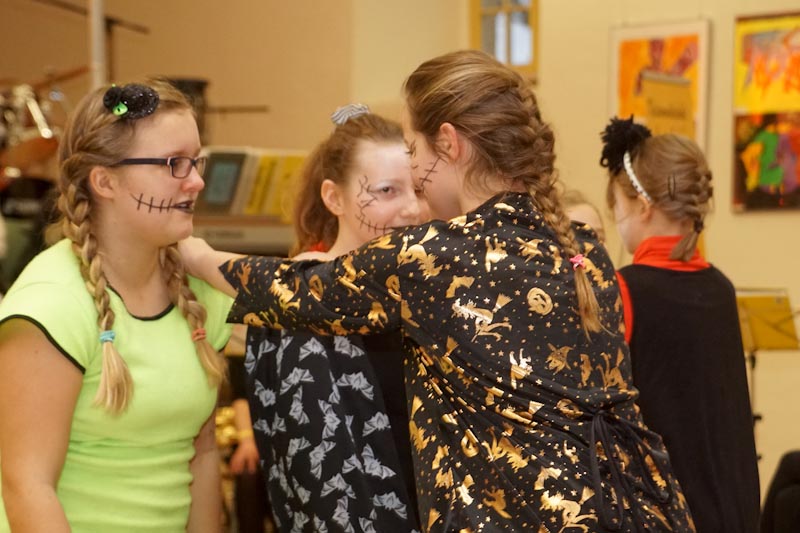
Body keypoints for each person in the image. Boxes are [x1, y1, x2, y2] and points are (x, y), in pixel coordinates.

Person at [179, 50, 695, 532]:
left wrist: (195, 254)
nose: (414, 176)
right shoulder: (584, 246)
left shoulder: (438, 256)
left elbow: (293, 290)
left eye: (413, 150)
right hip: (635, 507)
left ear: (448, 143)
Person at [0, 80, 233, 532]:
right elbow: (27, 485)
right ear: (105, 181)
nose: (197, 181)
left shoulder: (200, 294)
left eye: (196, 161)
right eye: (174, 163)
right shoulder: (50, 305)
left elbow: (202, 453)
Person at [240, 104, 425, 532]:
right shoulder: (299, 305)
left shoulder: (425, 294)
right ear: (334, 197)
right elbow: (311, 474)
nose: (412, 209)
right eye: (387, 191)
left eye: (417, 188)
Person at [600, 116, 760, 533]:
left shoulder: (624, 289)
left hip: (667, 513)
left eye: (617, 207)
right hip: (732, 507)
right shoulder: (721, 288)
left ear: (642, 205)